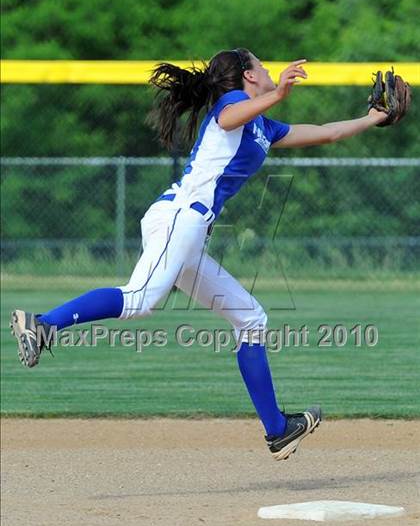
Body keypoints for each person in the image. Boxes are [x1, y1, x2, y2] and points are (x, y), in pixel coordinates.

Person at [10, 49, 388, 461]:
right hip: (178, 218)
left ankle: (279, 430)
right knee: (139, 299)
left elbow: (325, 132)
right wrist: (278, 93)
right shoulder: (233, 104)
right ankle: (43, 324)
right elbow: (228, 120)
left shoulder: (262, 125)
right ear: (248, 75)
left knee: (251, 318)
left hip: (189, 231)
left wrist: (372, 118)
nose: (266, 69)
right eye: (260, 66)